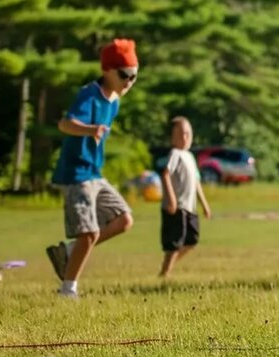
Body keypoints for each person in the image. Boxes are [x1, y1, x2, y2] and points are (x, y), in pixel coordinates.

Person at [44, 39, 140, 299]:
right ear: (107, 70)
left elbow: (119, 92)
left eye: (134, 75)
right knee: (90, 233)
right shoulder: (89, 94)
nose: (129, 81)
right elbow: (65, 124)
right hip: (76, 175)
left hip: (95, 174)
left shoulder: (114, 100)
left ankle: (69, 251)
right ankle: (67, 290)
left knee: (124, 219)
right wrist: (89, 130)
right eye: (124, 75)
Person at [159, 116, 212, 278]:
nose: (185, 138)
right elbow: (165, 174)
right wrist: (171, 198)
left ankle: (169, 266)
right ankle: (165, 272)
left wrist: (204, 204)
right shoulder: (175, 154)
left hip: (190, 206)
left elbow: (196, 182)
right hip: (177, 206)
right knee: (175, 242)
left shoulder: (189, 156)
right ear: (172, 138)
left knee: (191, 241)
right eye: (181, 134)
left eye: (188, 134)